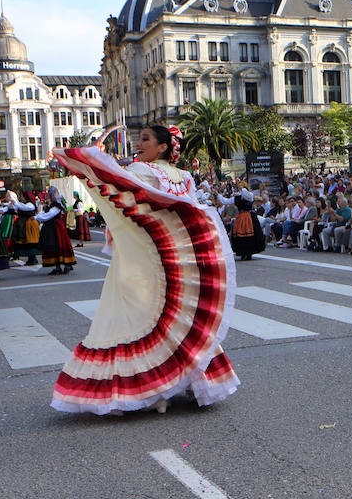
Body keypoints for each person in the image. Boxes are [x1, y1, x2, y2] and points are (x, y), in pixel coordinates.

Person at [50, 125, 239, 415]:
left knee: (135, 317)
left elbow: (114, 184)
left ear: (163, 147)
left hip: (146, 257)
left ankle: (152, 389)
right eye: (139, 139)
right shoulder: (185, 177)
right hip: (177, 260)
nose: (138, 144)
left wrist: (89, 158)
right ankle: (185, 381)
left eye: (145, 139)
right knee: (180, 318)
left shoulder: (142, 171)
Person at [35, 189, 77, 275]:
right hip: (52, 227)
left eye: (48, 194)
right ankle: (58, 267)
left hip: (56, 227)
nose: (47, 196)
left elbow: (48, 215)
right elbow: (45, 213)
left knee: (58, 245)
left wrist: (36, 217)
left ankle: (66, 265)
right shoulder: (52, 205)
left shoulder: (56, 206)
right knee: (54, 246)